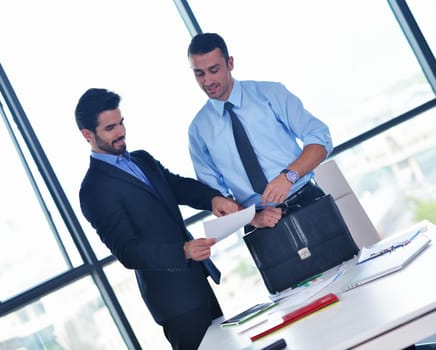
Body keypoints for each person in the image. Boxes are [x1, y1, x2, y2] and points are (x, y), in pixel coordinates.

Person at [75, 88, 240, 350]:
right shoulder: (94, 189)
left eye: (121, 123)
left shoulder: (141, 159)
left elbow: (176, 186)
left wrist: (212, 199)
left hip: (197, 283)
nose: (120, 132)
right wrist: (182, 251)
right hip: (173, 302)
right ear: (88, 134)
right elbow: (128, 251)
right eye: (110, 128)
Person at [186, 32, 333, 230]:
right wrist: (254, 218)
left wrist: (288, 176)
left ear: (230, 63)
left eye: (214, 70)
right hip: (259, 225)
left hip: (306, 200)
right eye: (199, 73)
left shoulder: (271, 94)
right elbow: (215, 196)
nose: (207, 81)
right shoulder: (198, 130)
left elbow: (320, 140)